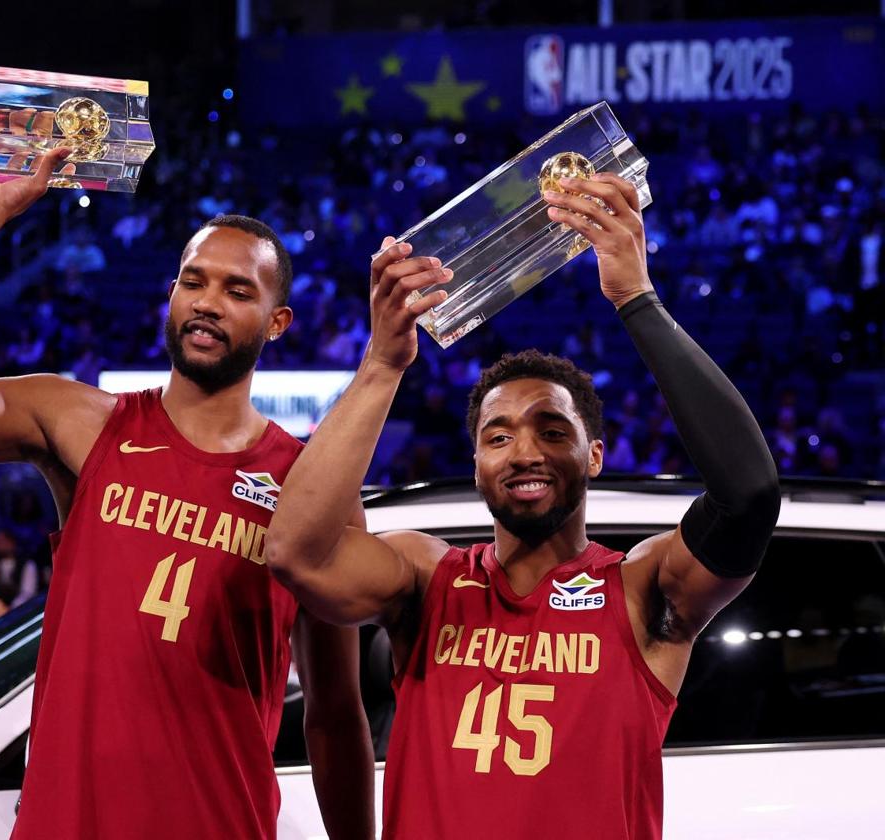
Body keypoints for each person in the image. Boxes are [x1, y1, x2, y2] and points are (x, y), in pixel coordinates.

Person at [0, 147, 373, 839]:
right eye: (193, 281)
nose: (208, 303)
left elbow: (336, 713)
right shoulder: (81, 424)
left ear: (277, 322)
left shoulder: (312, 486)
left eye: (238, 290)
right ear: (170, 293)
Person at [266, 173, 781, 839]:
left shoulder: (640, 591)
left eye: (552, 430)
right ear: (476, 463)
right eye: (498, 436)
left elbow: (748, 495)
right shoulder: (426, 581)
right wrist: (383, 364)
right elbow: (294, 554)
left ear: (595, 455)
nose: (523, 452)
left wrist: (637, 299)